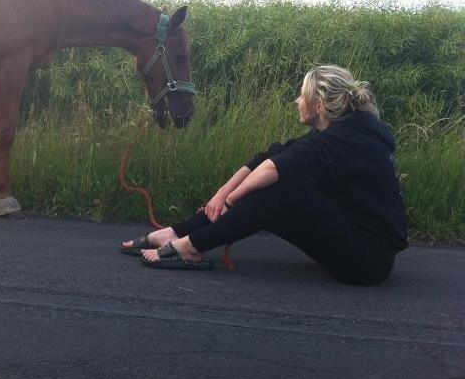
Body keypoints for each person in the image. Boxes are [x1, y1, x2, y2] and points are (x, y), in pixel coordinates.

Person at [121, 65, 408, 285]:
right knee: (279, 177)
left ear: (318, 105)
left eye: (302, 95)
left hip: (365, 262)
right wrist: (222, 194)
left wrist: (231, 200)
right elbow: (270, 156)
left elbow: (272, 170)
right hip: (356, 245)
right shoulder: (348, 131)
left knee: (278, 190)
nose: (297, 100)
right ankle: (177, 233)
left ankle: (190, 247)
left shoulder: (346, 139)